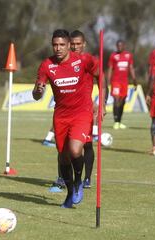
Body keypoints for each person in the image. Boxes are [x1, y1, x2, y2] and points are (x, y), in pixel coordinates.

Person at [32, 29, 105, 208]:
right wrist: (38, 91)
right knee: (63, 157)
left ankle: (79, 181)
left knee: (75, 149)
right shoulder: (47, 65)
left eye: (62, 45)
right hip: (61, 115)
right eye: (55, 45)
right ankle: (70, 191)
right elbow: (36, 94)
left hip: (82, 112)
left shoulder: (83, 60)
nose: (58, 48)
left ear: (68, 45)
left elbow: (101, 77)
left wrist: (102, 103)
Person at [48, 30, 99, 193]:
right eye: (74, 44)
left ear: (84, 44)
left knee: (87, 144)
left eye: (79, 44)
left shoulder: (87, 61)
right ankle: (62, 178)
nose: (76, 47)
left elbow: (101, 78)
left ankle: (86, 179)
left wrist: (100, 103)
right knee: (63, 148)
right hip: (66, 111)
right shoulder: (63, 61)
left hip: (85, 110)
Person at [107, 39, 137, 130]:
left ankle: (119, 122)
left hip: (125, 82)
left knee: (122, 101)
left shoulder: (128, 56)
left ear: (124, 46)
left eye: (121, 46)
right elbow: (110, 69)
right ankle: (115, 122)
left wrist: (134, 79)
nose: (119, 47)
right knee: (116, 100)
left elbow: (131, 68)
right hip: (115, 81)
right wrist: (108, 81)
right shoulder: (113, 56)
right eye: (117, 46)